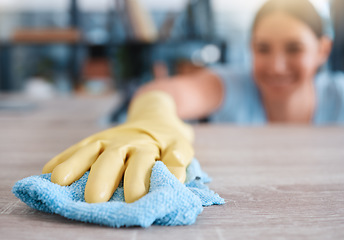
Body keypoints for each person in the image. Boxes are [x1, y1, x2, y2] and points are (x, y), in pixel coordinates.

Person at [42, 0, 344, 204]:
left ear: (322, 49)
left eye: (294, 49)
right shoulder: (232, 85)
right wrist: (151, 121)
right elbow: (162, 91)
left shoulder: (339, 96)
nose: (277, 66)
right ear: (250, 47)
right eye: (263, 49)